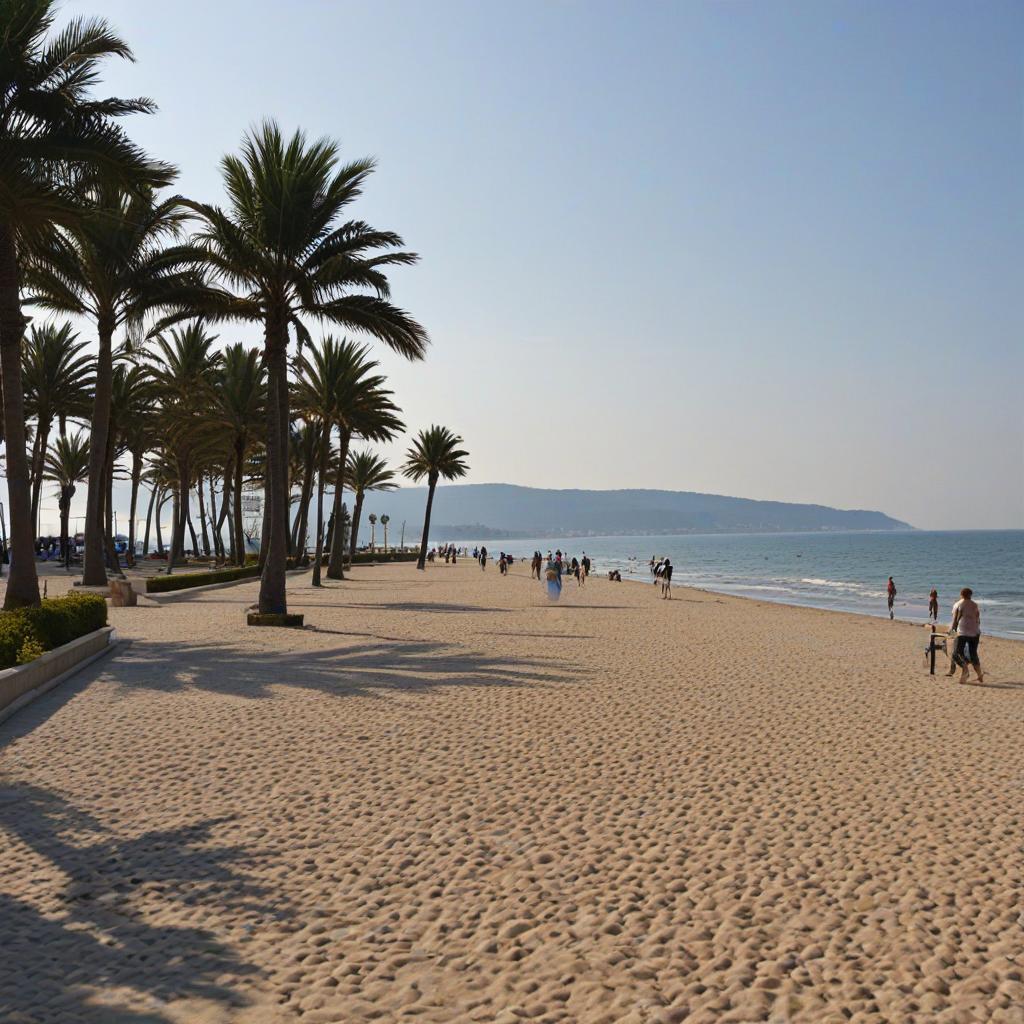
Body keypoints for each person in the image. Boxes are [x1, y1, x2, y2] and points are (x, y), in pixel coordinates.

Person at [948, 587, 984, 684]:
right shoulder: (975, 605)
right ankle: (979, 674)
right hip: (975, 633)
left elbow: (955, 620)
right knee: (973, 654)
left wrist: (951, 633)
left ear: (961, 595)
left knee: (956, 654)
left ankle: (965, 670)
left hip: (962, 633)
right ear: (970, 595)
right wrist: (976, 630)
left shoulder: (958, 604)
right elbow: (978, 619)